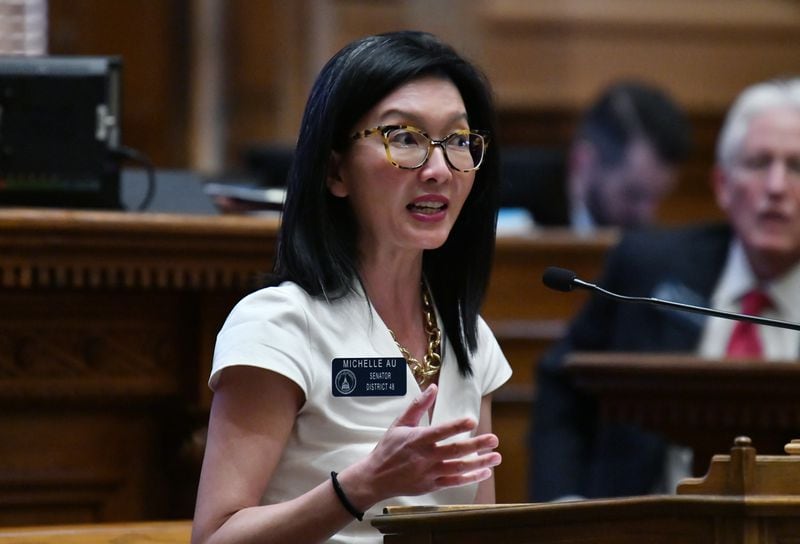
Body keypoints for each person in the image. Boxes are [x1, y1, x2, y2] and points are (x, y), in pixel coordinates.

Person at [191, 31, 512, 544]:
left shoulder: (469, 336)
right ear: (336, 170)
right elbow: (215, 538)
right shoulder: (278, 326)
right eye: (404, 138)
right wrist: (362, 486)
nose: (438, 169)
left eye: (457, 141)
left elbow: (479, 531)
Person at [529, 77, 800, 501]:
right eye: (759, 163)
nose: (777, 187)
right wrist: (564, 511)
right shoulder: (647, 268)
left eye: (796, 166)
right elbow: (562, 384)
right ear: (723, 186)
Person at [500, 80, 691, 231]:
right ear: (583, 161)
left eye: (657, 198)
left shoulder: (643, 240)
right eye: (633, 194)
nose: (647, 214)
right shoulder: (505, 196)